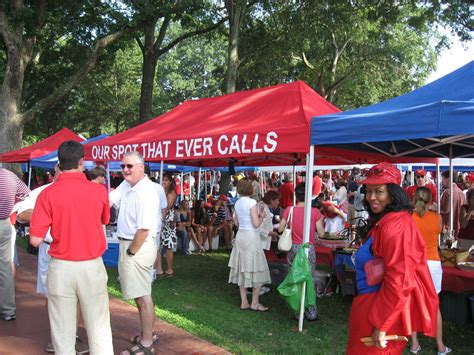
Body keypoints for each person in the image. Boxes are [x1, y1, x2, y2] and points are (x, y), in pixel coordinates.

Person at [29, 140, 113, 354]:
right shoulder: (99, 191)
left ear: (59, 163)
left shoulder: (47, 194)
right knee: (99, 329)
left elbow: (35, 240)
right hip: (91, 266)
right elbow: (105, 219)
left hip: (61, 267)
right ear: (81, 162)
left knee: (62, 333)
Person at [346, 162, 438, 354]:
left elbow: (400, 280)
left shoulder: (397, 226)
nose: (371, 197)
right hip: (371, 306)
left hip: (378, 311)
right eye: (369, 191)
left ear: (393, 193)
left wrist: (381, 324)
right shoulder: (389, 221)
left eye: (379, 191)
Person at [109, 151, 160, 354]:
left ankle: (147, 343)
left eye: (129, 166)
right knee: (141, 295)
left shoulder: (146, 192)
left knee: (142, 296)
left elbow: (144, 229)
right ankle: (148, 334)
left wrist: (130, 252)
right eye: (122, 166)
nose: (125, 170)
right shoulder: (128, 185)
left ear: (141, 167)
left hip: (137, 246)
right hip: (131, 244)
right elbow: (110, 199)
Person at [409, 187, 451, 354]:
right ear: (431, 200)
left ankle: (414, 344)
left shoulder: (409, 217)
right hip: (433, 262)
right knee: (434, 304)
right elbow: (441, 231)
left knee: (413, 303)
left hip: (416, 262)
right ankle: (440, 346)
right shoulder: (437, 217)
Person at [278, 183, 324, 321]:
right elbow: (321, 232)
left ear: (295, 195)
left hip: (294, 248)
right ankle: (311, 310)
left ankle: (298, 309)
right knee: (308, 278)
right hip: (308, 248)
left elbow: (280, 229)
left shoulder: (289, 210)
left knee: (294, 277)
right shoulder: (315, 212)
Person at [228, 178, 271, 311]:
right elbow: (256, 223)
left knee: (242, 267)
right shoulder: (252, 202)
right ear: (249, 188)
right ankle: (255, 303)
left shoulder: (237, 202)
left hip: (241, 235)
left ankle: (244, 302)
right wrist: (262, 215)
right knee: (256, 266)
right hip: (251, 236)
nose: (255, 188)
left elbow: (236, 223)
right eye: (253, 186)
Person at [0, 167, 30, 321]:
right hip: (5, 223)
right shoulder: (10, 176)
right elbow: (27, 194)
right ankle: (8, 309)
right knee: (5, 267)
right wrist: (14, 207)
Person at [155, 172, 177, 276]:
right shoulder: (161, 191)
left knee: (168, 246)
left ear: (170, 182)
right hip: (160, 220)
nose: (164, 181)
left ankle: (170, 269)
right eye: (163, 179)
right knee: (158, 246)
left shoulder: (171, 192)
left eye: (166, 180)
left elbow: (167, 206)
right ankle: (159, 269)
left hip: (168, 222)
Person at [440, 170, 466, 238]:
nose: (442, 181)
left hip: (447, 227)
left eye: (443, 179)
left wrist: (435, 207)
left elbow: (445, 210)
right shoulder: (461, 193)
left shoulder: (447, 192)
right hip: (458, 226)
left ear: (448, 179)